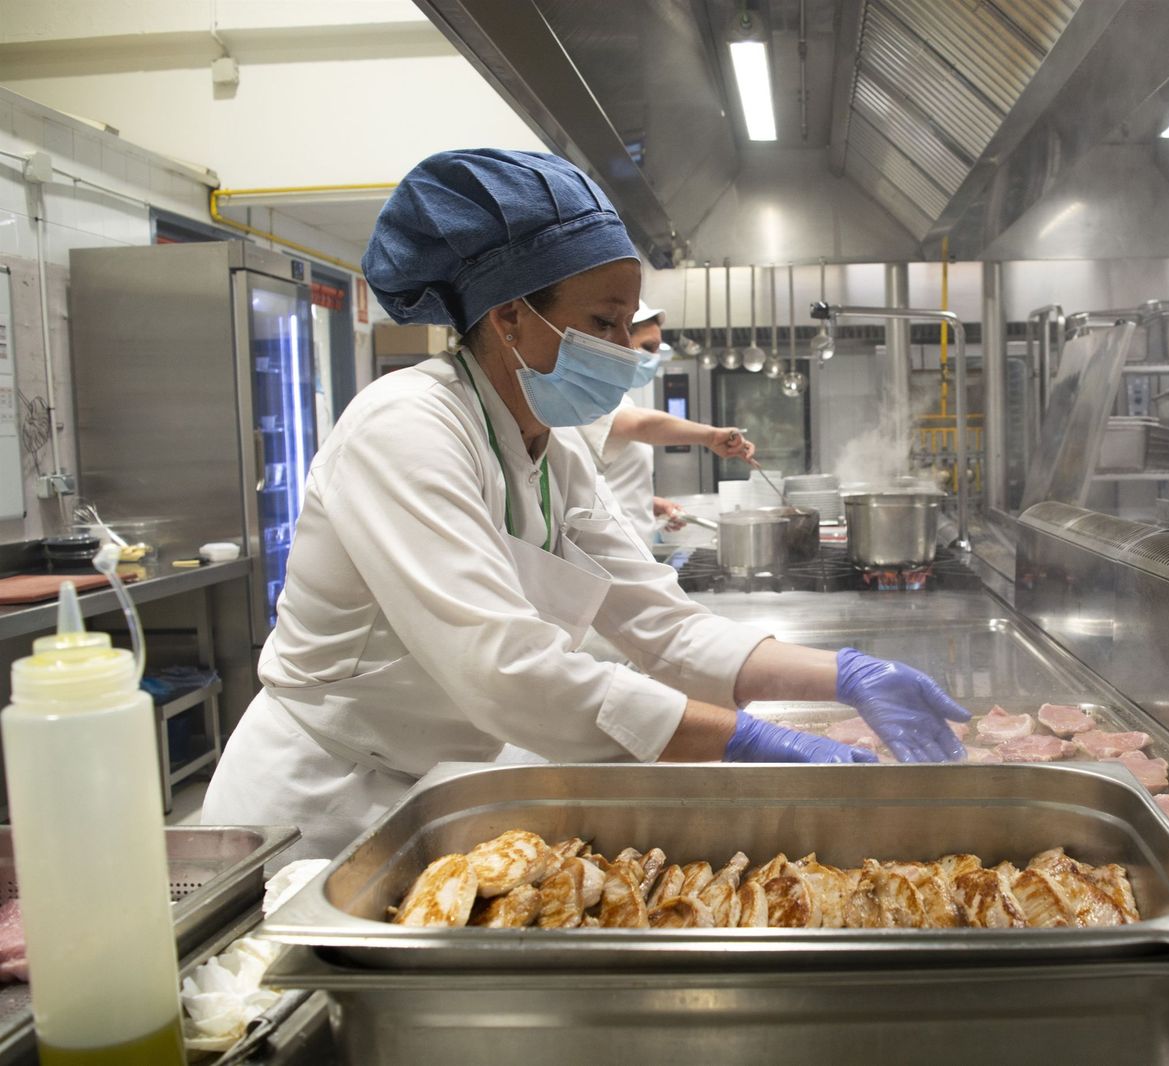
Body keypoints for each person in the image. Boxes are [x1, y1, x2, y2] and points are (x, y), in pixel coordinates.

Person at [202, 149, 968, 862]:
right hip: (320, 804)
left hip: (438, 786)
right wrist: (744, 741)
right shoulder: (404, 429)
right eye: (604, 324)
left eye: (627, 326)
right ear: (509, 317)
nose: (625, 351)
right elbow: (506, 669)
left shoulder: (553, 449)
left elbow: (661, 625)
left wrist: (847, 674)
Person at [573, 303, 753, 543]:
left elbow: (605, 480)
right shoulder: (587, 397)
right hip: (606, 550)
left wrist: (649, 503)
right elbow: (642, 426)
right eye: (648, 347)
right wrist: (711, 436)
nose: (654, 358)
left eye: (657, 350)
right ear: (617, 341)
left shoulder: (619, 399)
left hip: (632, 546)